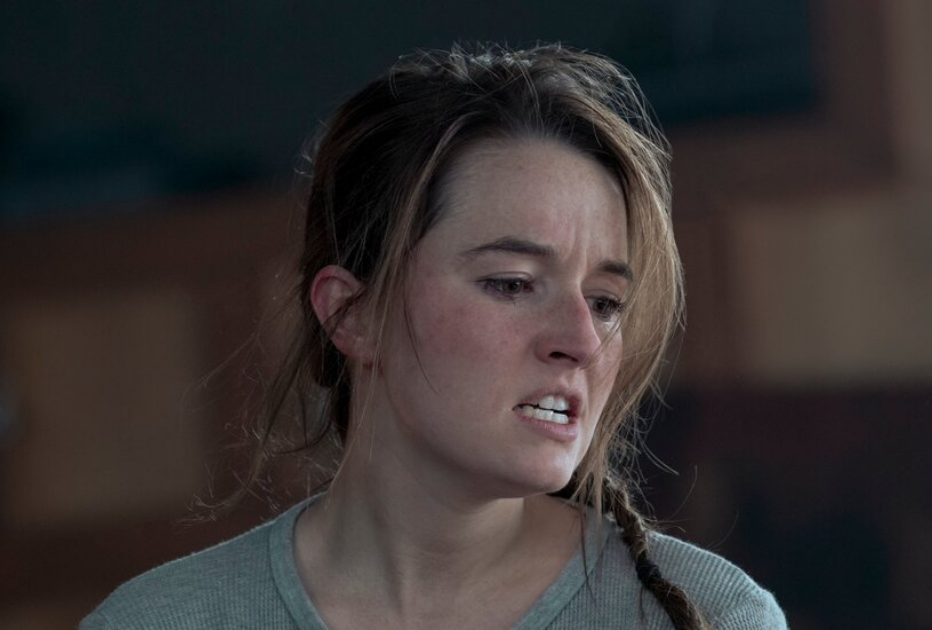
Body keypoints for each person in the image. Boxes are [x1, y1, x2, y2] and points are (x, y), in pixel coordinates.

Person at [82, 43, 785, 629]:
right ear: (351, 314)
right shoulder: (155, 622)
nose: (582, 340)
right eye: (512, 283)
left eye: (604, 303)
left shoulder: (716, 616)